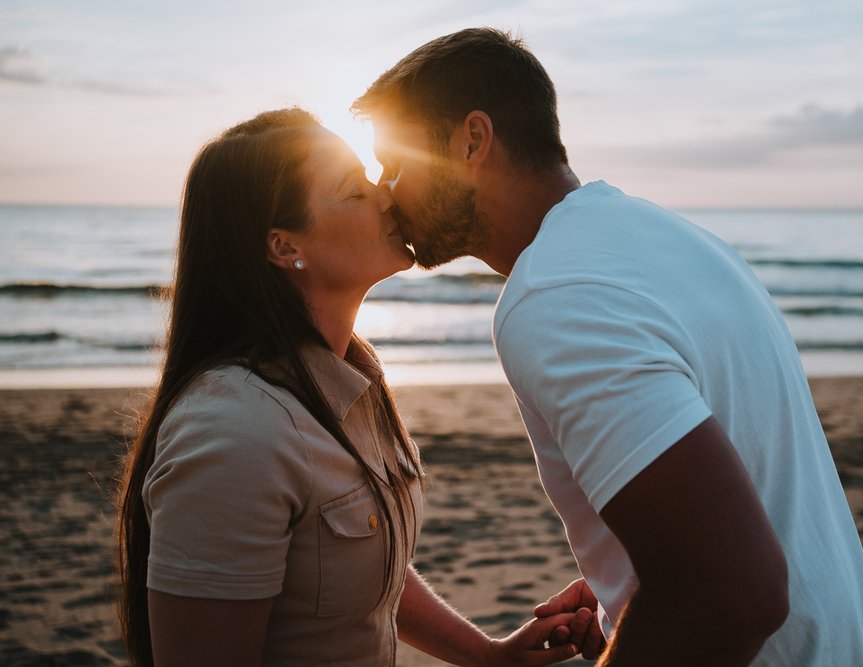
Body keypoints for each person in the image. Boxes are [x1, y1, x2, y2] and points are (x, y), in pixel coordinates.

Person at [352, 28, 863, 666]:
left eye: (395, 162)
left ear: (471, 140)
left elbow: (733, 593)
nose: (386, 189)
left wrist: (675, 599)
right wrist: (635, 592)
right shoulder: (672, 240)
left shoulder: (553, 296)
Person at [115, 108, 586, 666]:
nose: (385, 196)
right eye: (351, 190)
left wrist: (487, 655)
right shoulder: (234, 434)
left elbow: (356, 566)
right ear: (285, 246)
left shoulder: (349, 381)